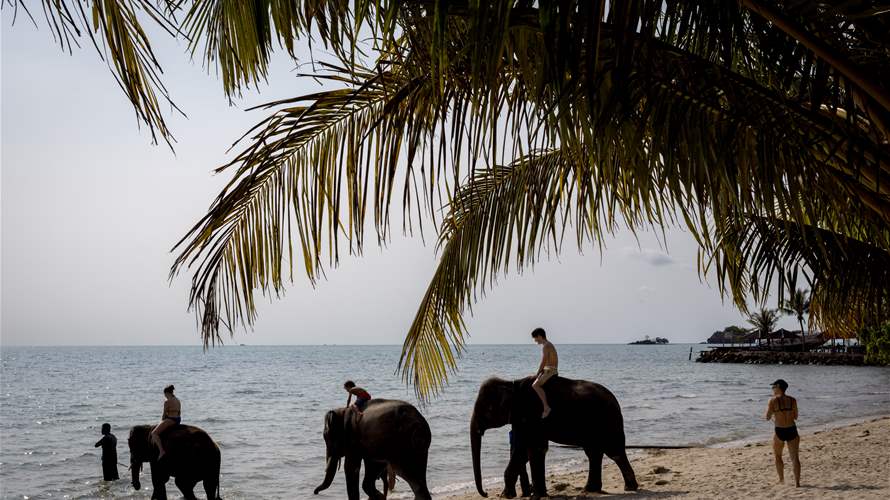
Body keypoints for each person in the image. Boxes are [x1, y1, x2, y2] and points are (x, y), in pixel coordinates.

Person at [765, 379, 801, 487]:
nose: (772, 389)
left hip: (780, 430)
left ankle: (781, 480)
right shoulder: (793, 400)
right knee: (795, 458)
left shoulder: (772, 400)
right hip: (792, 429)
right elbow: (796, 416)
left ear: (778, 387)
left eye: (773, 387)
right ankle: (797, 483)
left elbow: (767, 417)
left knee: (778, 456)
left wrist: (774, 417)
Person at [531, 327, 558, 418]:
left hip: (550, 370)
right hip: (550, 369)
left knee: (535, 385)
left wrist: (538, 372)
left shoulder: (546, 346)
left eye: (535, 338)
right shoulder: (549, 344)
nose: (535, 340)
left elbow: (544, 361)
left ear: (539, 336)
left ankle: (546, 407)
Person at [150, 384, 181, 460]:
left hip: (170, 420)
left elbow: (164, 415)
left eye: (164, 394)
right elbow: (179, 412)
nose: (164, 396)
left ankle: (161, 451)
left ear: (167, 393)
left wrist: (162, 421)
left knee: (154, 433)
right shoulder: (177, 400)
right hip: (178, 419)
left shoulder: (167, 402)